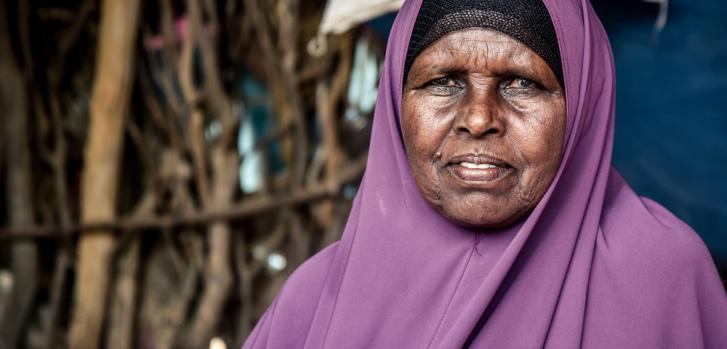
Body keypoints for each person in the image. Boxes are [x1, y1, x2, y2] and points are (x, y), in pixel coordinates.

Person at [243, 0, 727, 347]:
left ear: (582, 106)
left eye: (521, 84)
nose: (478, 118)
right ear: (395, 102)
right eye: (443, 81)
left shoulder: (663, 281)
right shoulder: (313, 302)